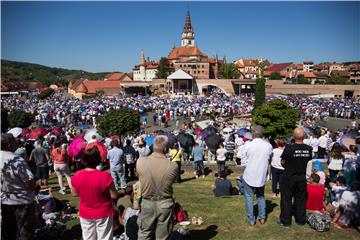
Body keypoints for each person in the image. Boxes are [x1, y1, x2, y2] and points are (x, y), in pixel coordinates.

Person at [71, 147, 119, 240]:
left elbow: (74, 193)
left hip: (86, 212)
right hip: (103, 212)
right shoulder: (105, 176)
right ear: (98, 160)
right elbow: (114, 195)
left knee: (88, 237)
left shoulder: (77, 175)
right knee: (105, 237)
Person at [136, 135, 177, 240]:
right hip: (165, 203)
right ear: (165, 148)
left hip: (147, 202)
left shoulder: (140, 161)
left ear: (153, 146)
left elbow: (140, 178)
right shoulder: (173, 165)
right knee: (163, 236)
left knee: (144, 234)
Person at [1, 134, 36, 240]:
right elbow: (30, 182)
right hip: (21, 201)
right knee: (25, 232)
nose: (17, 142)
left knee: (8, 230)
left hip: (4, 200)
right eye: (15, 141)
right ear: (8, 145)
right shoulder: (16, 160)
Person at [278, 127, 313, 227]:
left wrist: (289, 166)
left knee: (286, 199)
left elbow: (282, 162)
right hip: (301, 177)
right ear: (304, 136)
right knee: (300, 199)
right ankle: (300, 220)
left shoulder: (289, 148)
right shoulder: (309, 149)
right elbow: (309, 162)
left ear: (294, 136)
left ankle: (286, 221)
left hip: (289, 177)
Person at [241, 125, 272, 225]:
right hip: (261, 174)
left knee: (249, 197)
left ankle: (251, 220)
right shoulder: (268, 146)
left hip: (250, 174)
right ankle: (262, 217)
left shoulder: (248, 145)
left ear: (253, 134)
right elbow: (269, 160)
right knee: (260, 197)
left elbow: (243, 161)